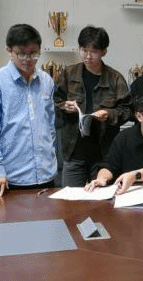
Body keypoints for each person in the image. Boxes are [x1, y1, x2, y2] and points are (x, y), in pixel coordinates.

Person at [0, 23, 58, 198]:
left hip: (46, 176)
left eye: (34, 53)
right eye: (21, 53)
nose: (28, 59)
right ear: (9, 50)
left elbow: (50, 126)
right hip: (10, 179)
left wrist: (51, 159)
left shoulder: (46, 81)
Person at [54, 25, 131, 187]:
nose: (88, 56)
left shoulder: (115, 78)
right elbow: (54, 101)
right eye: (84, 50)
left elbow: (128, 109)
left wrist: (108, 114)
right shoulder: (69, 73)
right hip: (74, 151)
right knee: (70, 199)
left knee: (103, 200)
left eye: (94, 51)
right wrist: (64, 106)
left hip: (104, 154)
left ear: (104, 52)